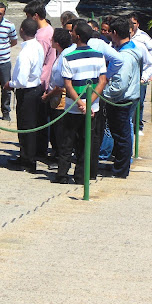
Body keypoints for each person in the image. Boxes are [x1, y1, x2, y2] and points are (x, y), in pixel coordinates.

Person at [53, 21, 107, 184]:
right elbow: (102, 81)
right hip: (92, 107)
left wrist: (80, 104)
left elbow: (67, 84)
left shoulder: (68, 57)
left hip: (72, 107)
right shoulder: (99, 55)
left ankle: (62, 174)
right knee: (86, 142)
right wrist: (88, 104)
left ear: (78, 36)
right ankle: (81, 176)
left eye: (73, 32)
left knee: (67, 142)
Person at [3, 18, 45, 172]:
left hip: (27, 91)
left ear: (21, 30)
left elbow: (21, 79)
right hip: (35, 88)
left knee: (26, 126)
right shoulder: (38, 46)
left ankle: (28, 160)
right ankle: (26, 156)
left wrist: (10, 84)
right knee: (31, 125)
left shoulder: (26, 53)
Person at [104, 16, 142, 178]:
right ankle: (121, 166)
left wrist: (103, 93)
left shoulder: (125, 56)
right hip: (128, 97)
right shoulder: (131, 48)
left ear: (114, 33)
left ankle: (121, 169)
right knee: (123, 133)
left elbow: (120, 84)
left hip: (122, 99)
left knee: (121, 135)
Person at [24, 0, 56, 161]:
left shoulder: (42, 36)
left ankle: (37, 151)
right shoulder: (49, 30)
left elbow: (38, 59)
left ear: (35, 16)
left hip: (41, 80)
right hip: (45, 78)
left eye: (28, 17)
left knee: (37, 119)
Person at [41, 28, 73, 170]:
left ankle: (60, 160)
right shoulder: (61, 54)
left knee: (60, 132)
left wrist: (48, 95)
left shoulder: (63, 58)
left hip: (60, 99)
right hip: (55, 98)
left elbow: (60, 85)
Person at [130, 12, 152, 134]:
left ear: (138, 24)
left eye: (134, 23)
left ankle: (138, 126)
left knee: (139, 102)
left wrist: (148, 75)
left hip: (141, 75)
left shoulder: (144, 37)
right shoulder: (124, 35)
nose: (132, 26)